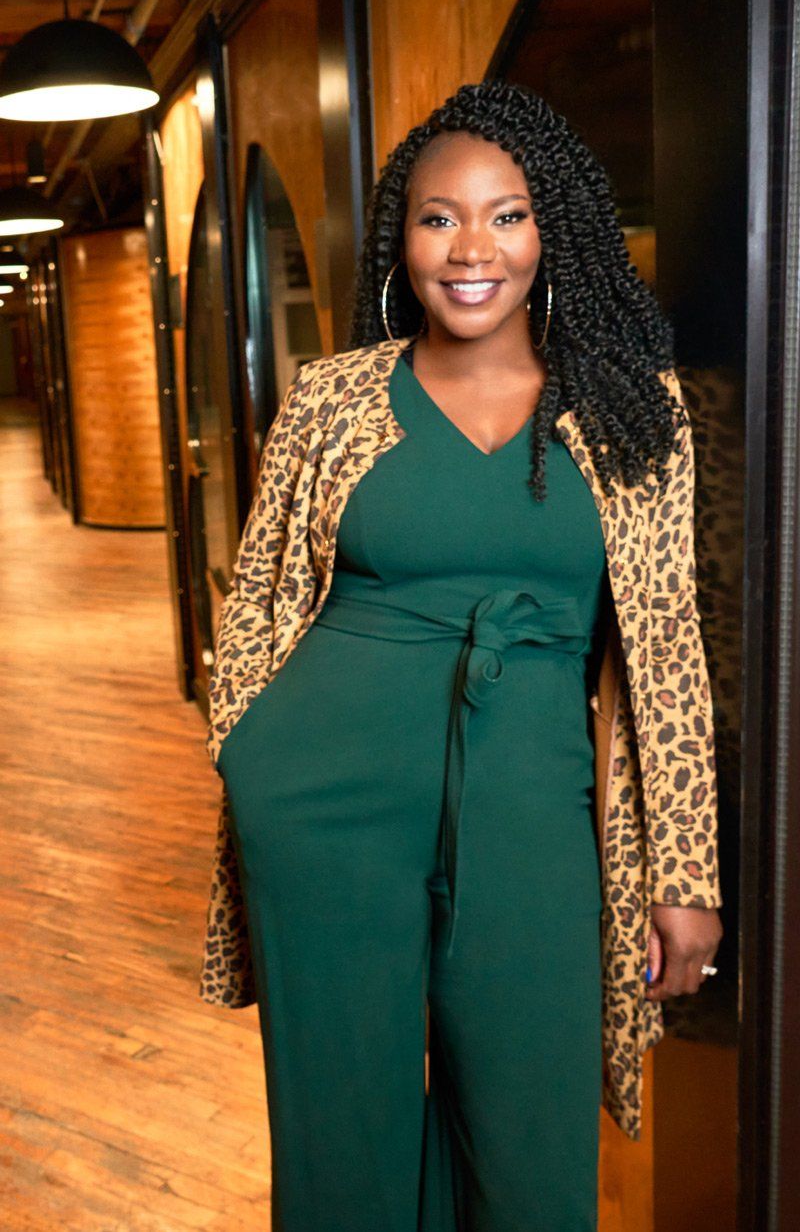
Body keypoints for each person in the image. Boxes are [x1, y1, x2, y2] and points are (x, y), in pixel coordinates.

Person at [199, 79, 723, 1232]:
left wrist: (683, 869)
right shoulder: (332, 400)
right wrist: (250, 754)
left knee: (529, 1149)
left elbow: (667, 642)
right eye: (438, 217)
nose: (470, 248)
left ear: (555, 231)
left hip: (533, 801)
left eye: (506, 213)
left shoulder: (635, 410)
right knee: (346, 1145)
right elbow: (260, 602)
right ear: (403, 236)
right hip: (326, 805)